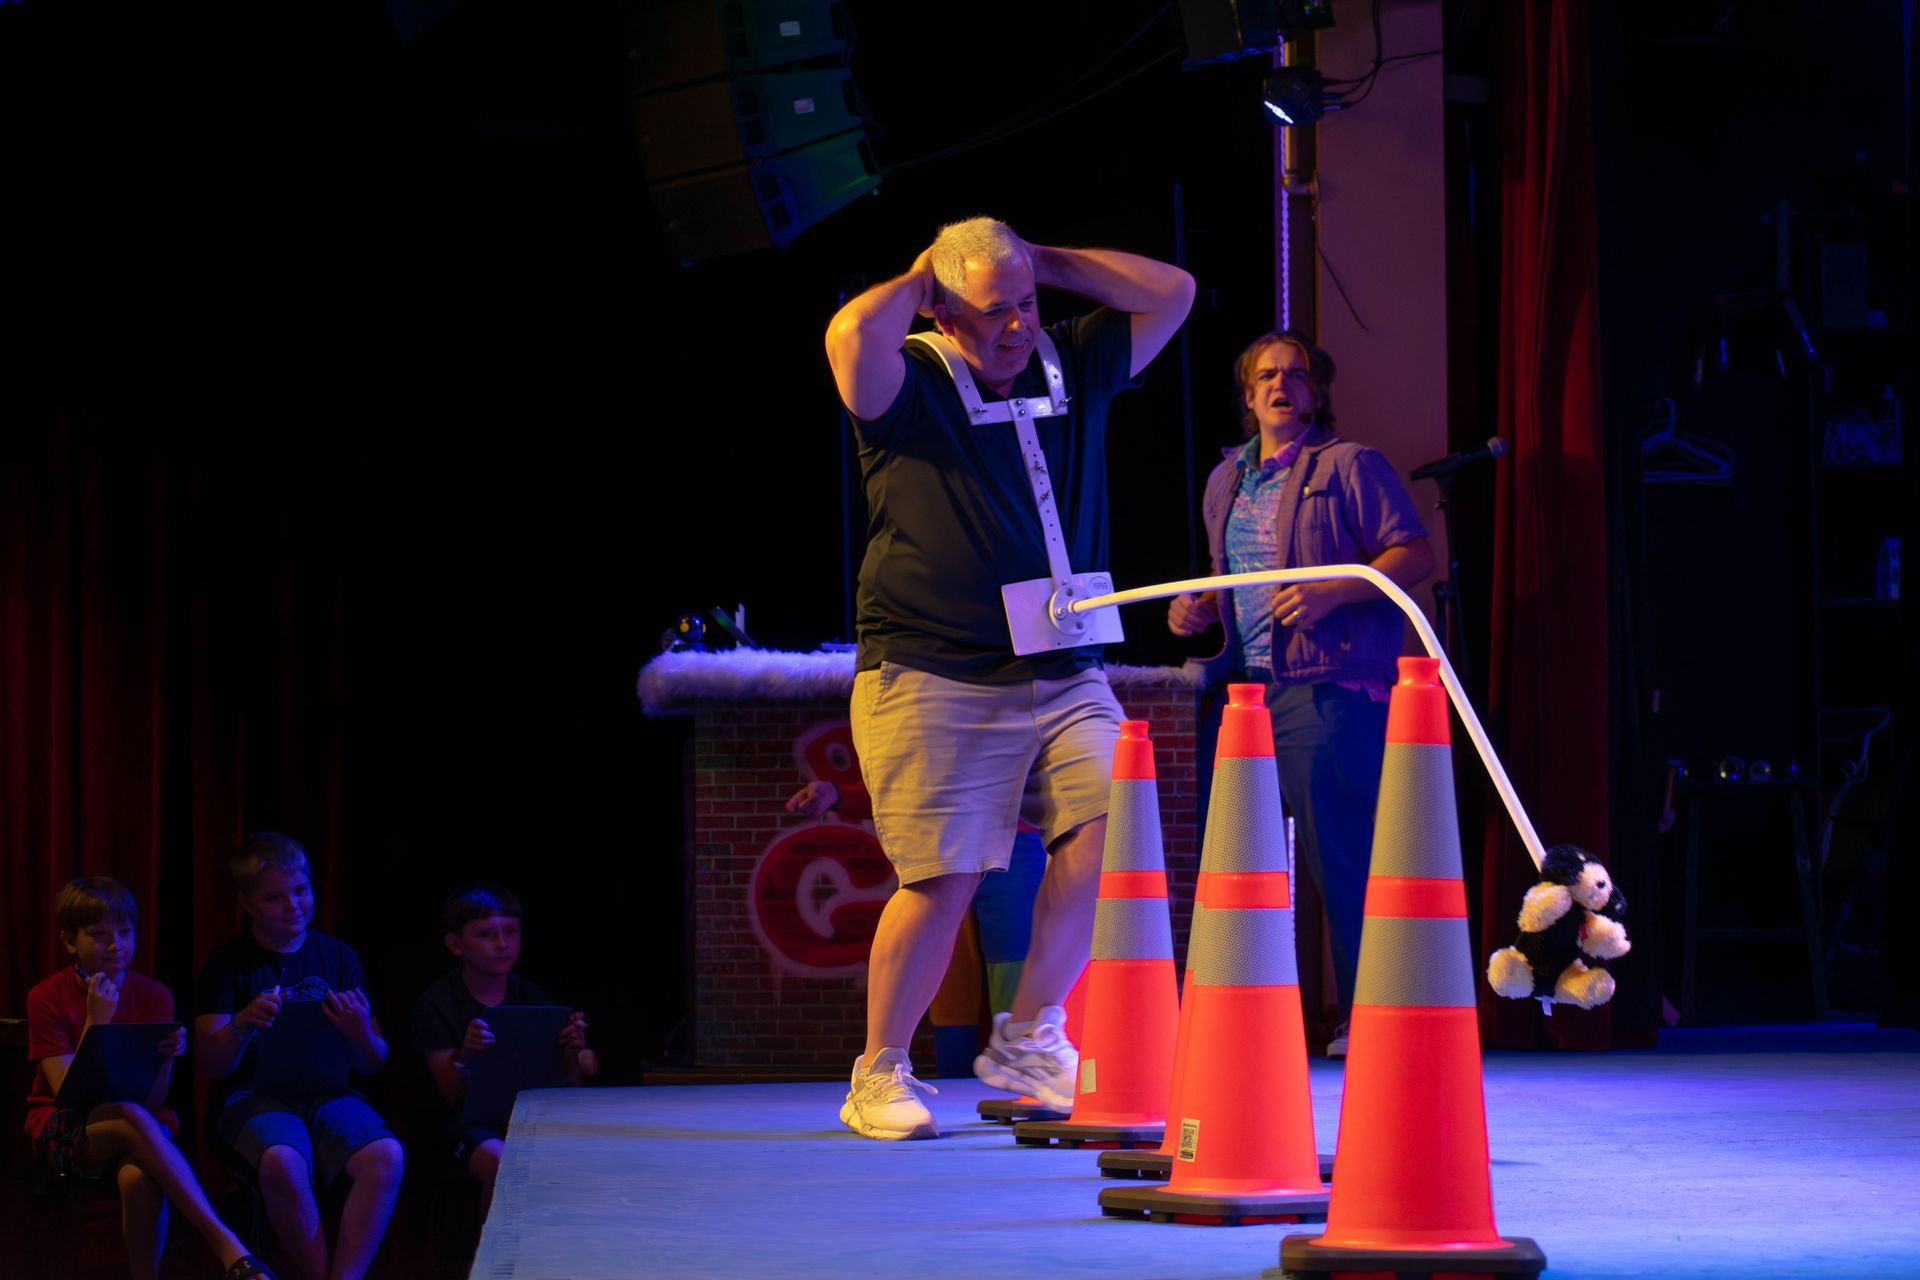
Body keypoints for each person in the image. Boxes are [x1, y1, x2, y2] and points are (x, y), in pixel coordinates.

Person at [823, 215, 1193, 1139]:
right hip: (933, 667)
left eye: (1028, 305)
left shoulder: (1073, 356)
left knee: (1116, 822)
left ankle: (1029, 1033)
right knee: (942, 877)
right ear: (943, 313)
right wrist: (922, 279)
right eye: (994, 312)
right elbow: (847, 336)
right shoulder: (908, 379)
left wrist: (1047, 263)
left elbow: (1173, 291)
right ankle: (878, 1074)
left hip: (1068, 666)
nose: (1019, 326)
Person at [1167, 331, 1434, 1054]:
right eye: (1266, 376)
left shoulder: (1350, 466)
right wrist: (1196, 609)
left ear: (1317, 393)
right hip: (1246, 691)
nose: (1282, 385)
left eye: (1297, 375)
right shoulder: (1227, 479)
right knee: (1243, 862)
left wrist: (1329, 593)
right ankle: (1244, 1022)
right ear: (1247, 395)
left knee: (1341, 858)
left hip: (1327, 689)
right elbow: (1235, 581)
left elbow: (1412, 553)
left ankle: (1369, 1018)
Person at [25, 877, 272, 1280]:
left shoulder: (154, 994)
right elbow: (68, 1095)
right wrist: (96, 1021)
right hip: (68, 1129)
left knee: (140, 1174)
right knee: (129, 1115)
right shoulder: (46, 996)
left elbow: (153, 1097)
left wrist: (167, 1060)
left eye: (125, 933)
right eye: (98, 934)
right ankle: (226, 1243)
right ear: (70, 941)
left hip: (137, 1121)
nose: (115, 945)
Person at [194, 833, 403, 1280]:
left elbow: (373, 1060)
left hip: (328, 1093)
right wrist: (243, 1023)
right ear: (246, 902)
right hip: (252, 1097)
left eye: (301, 890)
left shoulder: (338, 956)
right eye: (275, 896)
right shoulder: (228, 964)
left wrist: (358, 1031)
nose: (293, 904)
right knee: (283, 1160)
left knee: (386, 1155)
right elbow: (209, 1065)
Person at [411, 883, 597, 1220]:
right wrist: (467, 1055)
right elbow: (452, 1097)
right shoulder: (436, 1004)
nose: (502, 944)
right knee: (503, 1162)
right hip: (463, 1125)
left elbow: (568, 1089)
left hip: (526, 1118)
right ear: (456, 945)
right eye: (485, 934)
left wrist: (571, 1054)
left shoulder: (533, 996)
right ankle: (496, 1264)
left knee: (588, 1152)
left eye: (510, 931)